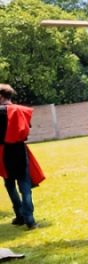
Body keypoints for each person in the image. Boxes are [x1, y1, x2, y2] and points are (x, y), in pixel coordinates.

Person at [1, 84, 44, 230]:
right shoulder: (21, 110)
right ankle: (30, 220)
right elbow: (26, 129)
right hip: (19, 150)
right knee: (24, 186)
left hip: (3, 151)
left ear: (1, 96)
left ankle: (20, 216)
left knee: (10, 184)